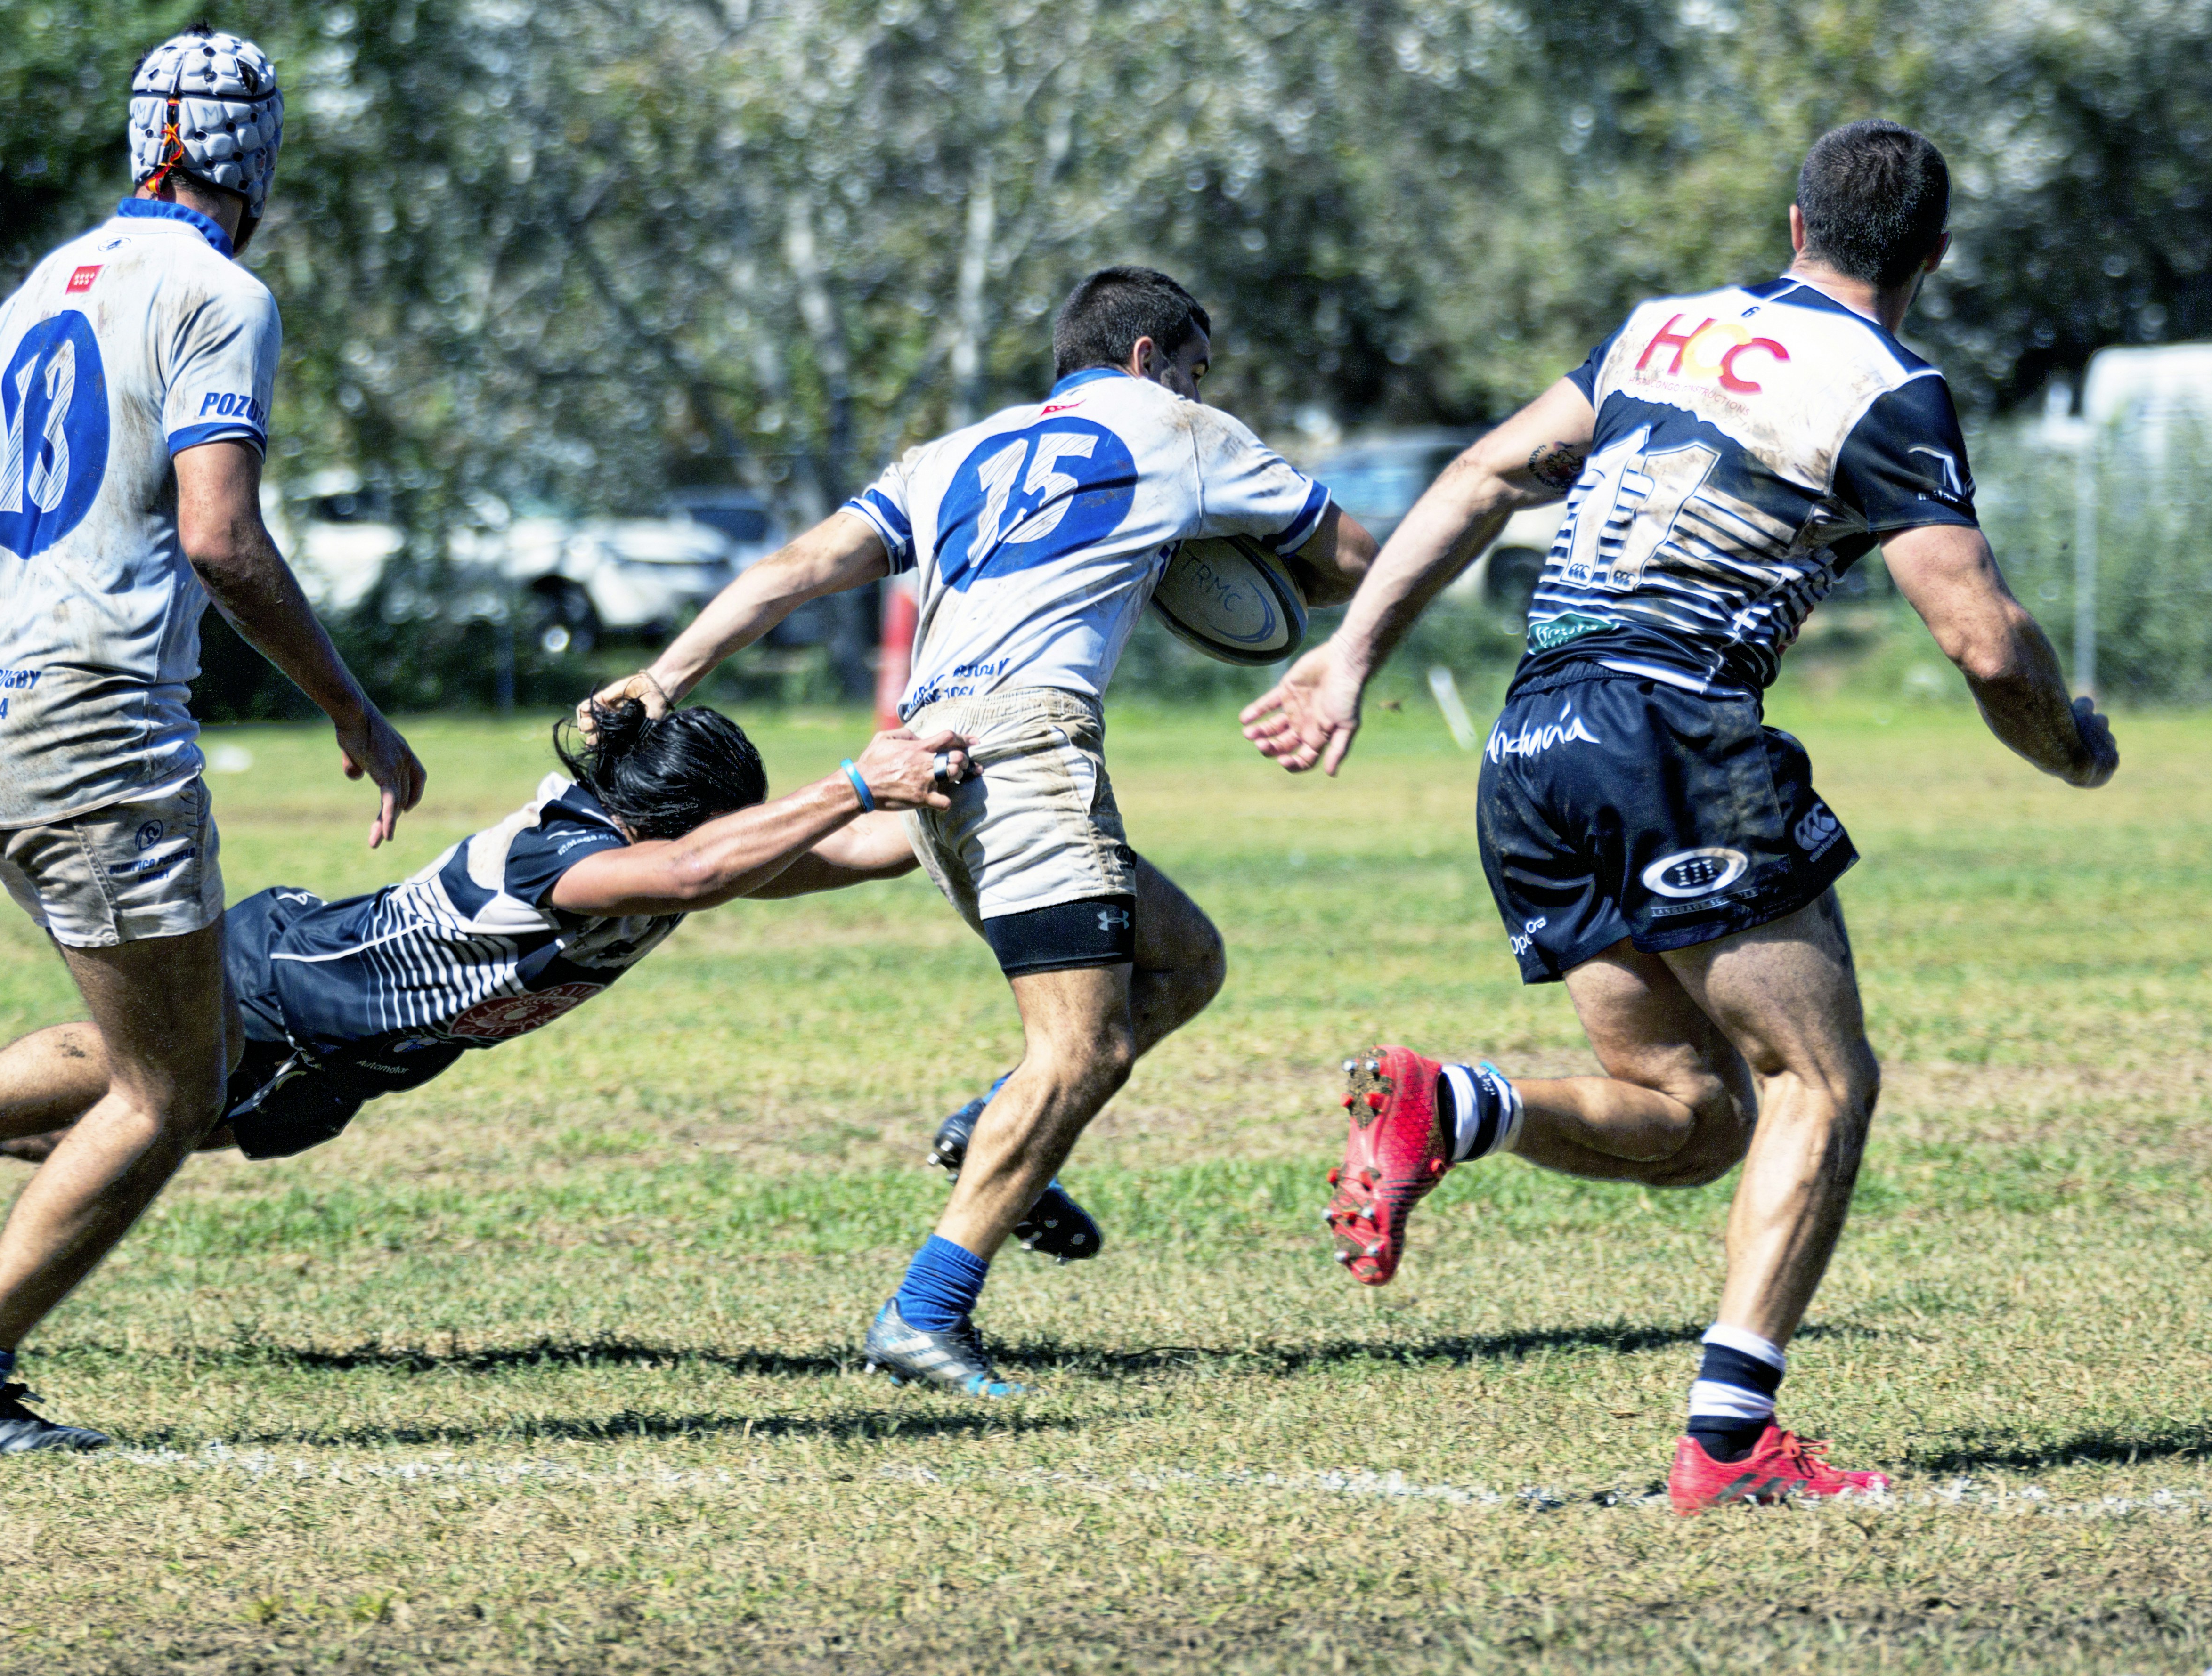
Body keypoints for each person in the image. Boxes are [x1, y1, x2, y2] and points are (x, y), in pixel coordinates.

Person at [1239, 121, 2119, 1513]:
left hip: (1533, 741)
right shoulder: (1887, 386)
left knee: (1691, 1112)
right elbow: (1988, 644)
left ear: (1792, 227)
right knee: (1820, 1085)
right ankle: (1727, 1448)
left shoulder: (1662, 328)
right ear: (1932, 259)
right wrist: (2072, 749)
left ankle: (1450, 1106)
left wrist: (1347, 657)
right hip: (1670, 730)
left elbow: (1480, 473)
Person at [0, 27, 428, 1448]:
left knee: (174, 1034)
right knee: (176, 1091)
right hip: (101, 719)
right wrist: (352, 710)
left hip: (1, 715)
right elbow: (223, 542)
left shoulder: (41, 287)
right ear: (252, 156)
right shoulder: (216, 293)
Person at [0, 704, 977, 1454]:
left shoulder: (663, 862)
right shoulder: (581, 862)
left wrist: (953, 796)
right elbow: (720, 868)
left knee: (130, 1129)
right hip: (295, 984)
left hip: (341, 1052)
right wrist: (860, 778)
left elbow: (849, 849)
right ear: (664, 826)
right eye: (725, 825)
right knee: (143, 1100)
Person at [593, 267, 1378, 1396]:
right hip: (1029, 748)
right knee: (1084, 1049)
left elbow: (796, 569)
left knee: (1187, 958)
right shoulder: (1182, 427)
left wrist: (668, 672)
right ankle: (925, 1311)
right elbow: (1356, 558)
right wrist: (1275, 570)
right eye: (1198, 368)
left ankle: (992, 1123)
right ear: (1152, 358)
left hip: (931, 755)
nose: (1204, 390)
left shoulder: (950, 454)